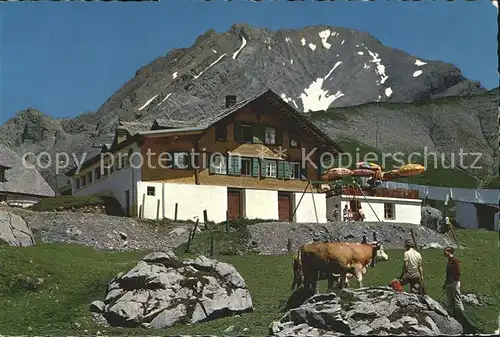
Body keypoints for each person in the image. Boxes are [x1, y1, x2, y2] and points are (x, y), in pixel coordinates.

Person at [442, 246, 477, 333]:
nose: (444, 253)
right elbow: (447, 274)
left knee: (457, 300)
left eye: (445, 251)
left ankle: (462, 315)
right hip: (449, 284)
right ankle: (452, 316)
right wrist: (445, 284)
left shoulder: (455, 260)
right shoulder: (449, 261)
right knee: (449, 300)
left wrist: (455, 280)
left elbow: (458, 272)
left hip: (454, 283)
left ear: (449, 252)